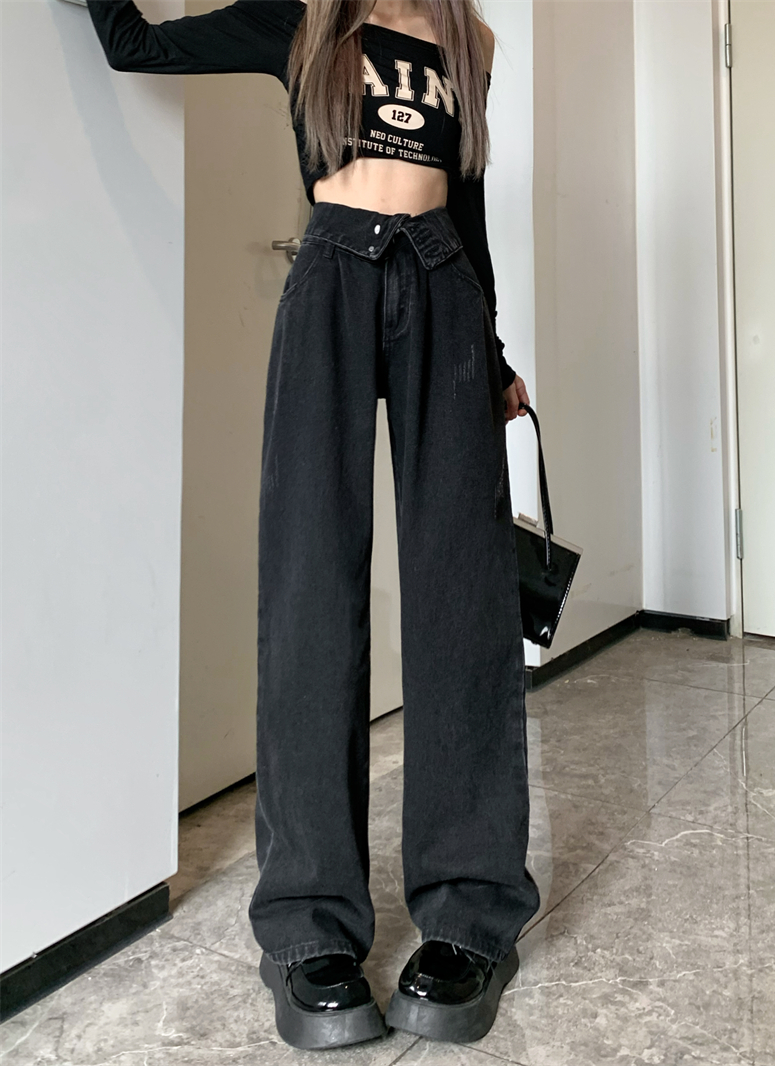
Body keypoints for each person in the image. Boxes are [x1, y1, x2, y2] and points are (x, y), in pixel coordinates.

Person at [85, 0, 541, 1050]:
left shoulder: (467, 42)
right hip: (331, 276)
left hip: (442, 287)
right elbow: (135, 45)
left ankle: (470, 912)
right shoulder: (300, 23)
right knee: (309, 594)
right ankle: (307, 927)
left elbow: (468, 209)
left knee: (462, 601)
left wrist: (492, 356)